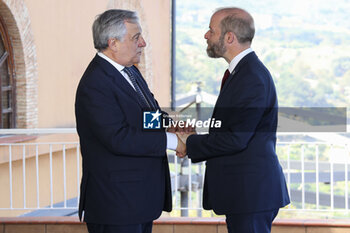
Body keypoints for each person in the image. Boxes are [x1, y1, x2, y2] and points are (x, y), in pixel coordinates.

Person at [176, 7, 290, 233]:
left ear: (229, 37)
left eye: (211, 30)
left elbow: (236, 139)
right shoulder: (243, 73)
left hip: (250, 194)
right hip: (245, 193)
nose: (206, 35)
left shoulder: (251, 77)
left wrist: (189, 144)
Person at [75, 9, 185, 233]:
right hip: (116, 206)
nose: (143, 43)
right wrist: (173, 141)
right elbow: (118, 138)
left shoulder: (130, 72)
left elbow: (146, 116)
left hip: (137, 202)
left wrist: (171, 125)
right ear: (113, 42)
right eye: (136, 37)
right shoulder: (95, 83)